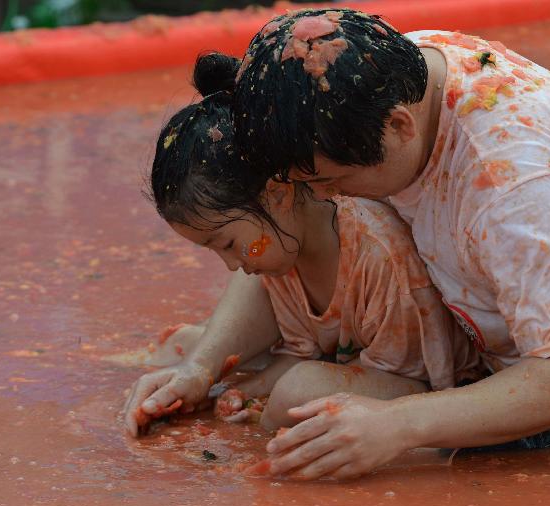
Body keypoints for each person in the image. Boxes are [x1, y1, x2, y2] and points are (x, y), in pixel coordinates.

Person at [128, 8, 550, 480]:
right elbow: (284, 222)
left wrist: (399, 424)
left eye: (333, 184)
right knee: (231, 365)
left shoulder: (513, 189)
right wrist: (202, 364)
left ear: (399, 128)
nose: (323, 197)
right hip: (532, 344)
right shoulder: (393, 69)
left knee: (321, 423)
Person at [121, 53, 480, 437]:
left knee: (299, 389)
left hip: (431, 386)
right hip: (366, 367)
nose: (230, 265)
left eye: (227, 243)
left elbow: (414, 382)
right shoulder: (280, 249)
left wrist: (267, 400)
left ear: (277, 194)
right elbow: (297, 351)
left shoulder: (378, 254)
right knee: (180, 346)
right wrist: (230, 391)